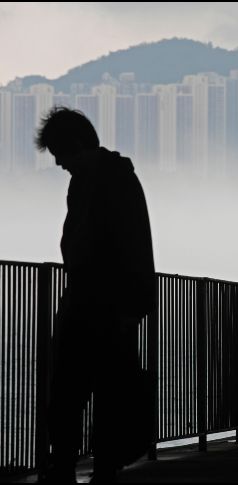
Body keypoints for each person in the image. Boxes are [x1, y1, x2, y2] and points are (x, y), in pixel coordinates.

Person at [35, 107, 155, 482]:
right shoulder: (99, 178)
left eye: (59, 154)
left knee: (81, 389)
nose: (57, 163)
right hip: (93, 302)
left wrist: (129, 307)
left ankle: (81, 464)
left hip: (104, 305)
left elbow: (132, 244)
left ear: (75, 146)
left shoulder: (113, 180)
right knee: (89, 390)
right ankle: (85, 463)